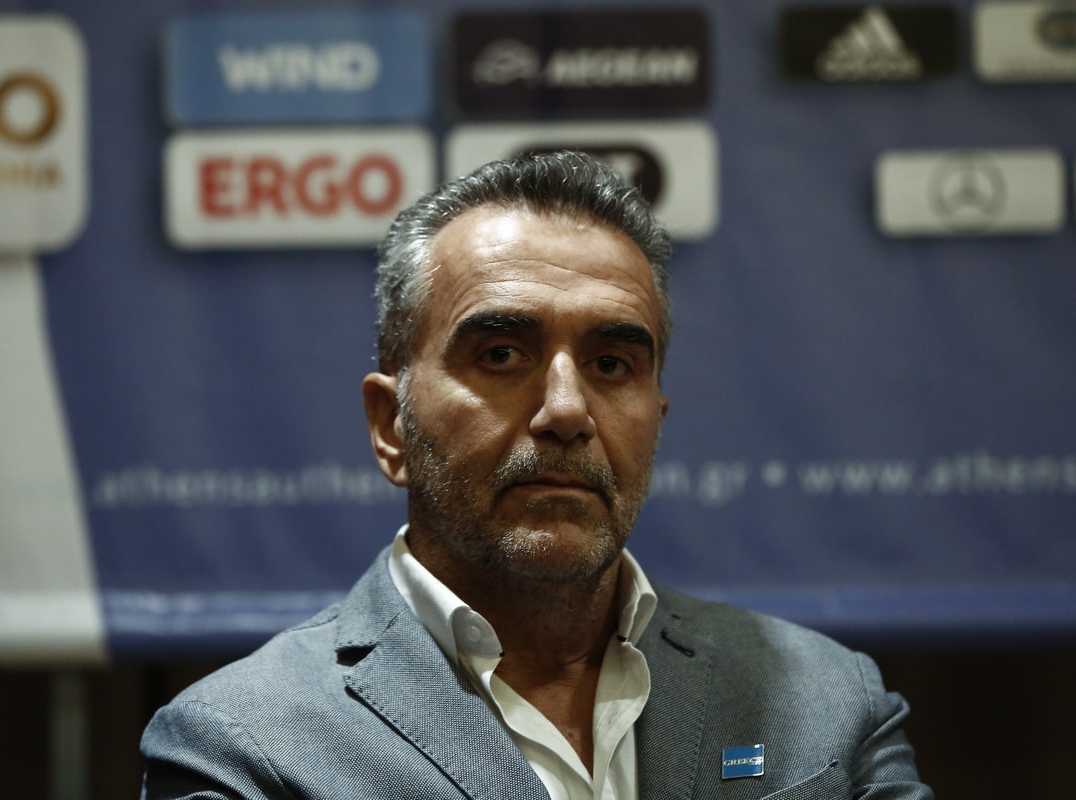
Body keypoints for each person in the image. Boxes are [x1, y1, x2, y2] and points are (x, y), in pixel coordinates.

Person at [140, 151, 932, 799]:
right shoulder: (243, 745)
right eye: (501, 354)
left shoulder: (827, 699)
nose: (566, 409)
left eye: (612, 363)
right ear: (391, 426)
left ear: (656, 420)